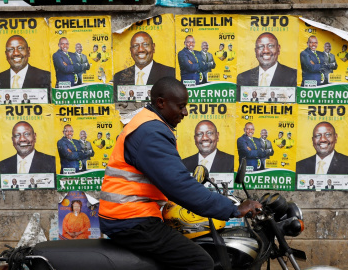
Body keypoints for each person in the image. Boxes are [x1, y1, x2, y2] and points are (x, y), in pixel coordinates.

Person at [98, 77, 261, 270]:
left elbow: (172, 177)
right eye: (181, 106)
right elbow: (179, 185)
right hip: (131, 221)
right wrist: (232, 209)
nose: (185, 112)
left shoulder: (148, 124)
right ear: (161, 103)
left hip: (129, 216)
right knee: (200, 262)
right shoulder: (151, 133)